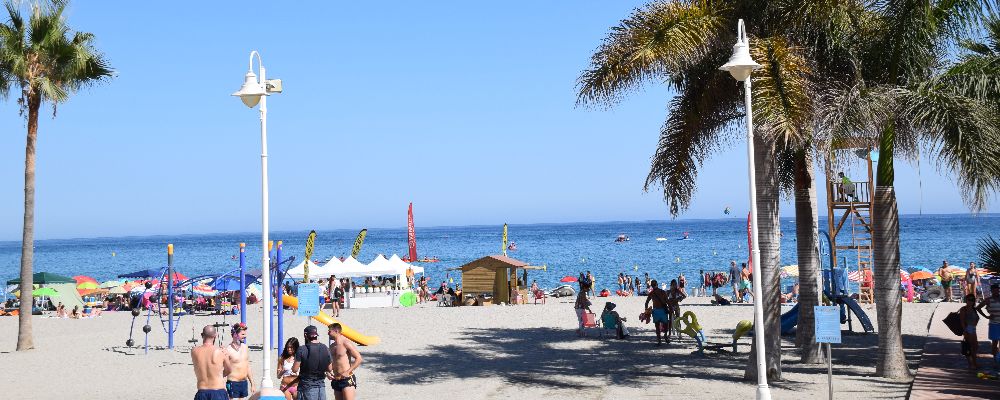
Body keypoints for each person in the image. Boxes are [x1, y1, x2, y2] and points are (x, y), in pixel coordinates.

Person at [293, 325, 332, 400]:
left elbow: (294, 369)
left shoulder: (302, 349)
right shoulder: (325, 348)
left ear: (305, 335)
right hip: (321, 386)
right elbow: (330, 368)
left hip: (306, 386)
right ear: (316, 334)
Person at [327, 323, 363, 400]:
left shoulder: (345, 343)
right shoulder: (332, 346)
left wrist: (348, 371)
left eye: (329, 331)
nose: (328, 333)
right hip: (336, 379)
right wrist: (328, 372)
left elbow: (359, 358)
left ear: (336, 331)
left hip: (347, 379)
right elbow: (331, 362)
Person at [192, 325, 228, 400]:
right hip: (218, 390)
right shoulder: (221, 352)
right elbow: (229, 369)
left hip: (202, 391)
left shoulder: (194, 351)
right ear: (216, 335)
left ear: (202, 335)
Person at [225, 323, 254, 399]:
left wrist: (252, 383)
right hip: (233, 382)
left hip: (244, 383)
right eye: (243, 334)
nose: (245, 336)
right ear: (235, 334)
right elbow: (222, 369)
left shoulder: (245, 347)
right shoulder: (228, 350)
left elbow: (247, 366)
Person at [976, 284, 1000, 364]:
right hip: (994, 324)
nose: (996, 291)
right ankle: (995, 359)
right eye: (995, 290)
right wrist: (986, 316)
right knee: (994, 342)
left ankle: (998, 358)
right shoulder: (988, 300)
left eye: (997, 289)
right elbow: (978, 308)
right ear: (992, 291)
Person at [644, 279, 671, 345]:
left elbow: (646, 302)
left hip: (656, 311)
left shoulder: (651, 293)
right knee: (665, 325)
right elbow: (667, 301)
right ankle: (665, 336)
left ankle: (659, 341)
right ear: (657, 285)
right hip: (663, 310)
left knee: (657, 327)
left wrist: (646, 310)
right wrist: (671, 309)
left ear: (651, 286)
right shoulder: (662, 292)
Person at [959, 294, 980, 370]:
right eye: (969, 299)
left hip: (973, 329)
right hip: (968, 328)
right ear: (966, 300)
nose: (970, 301)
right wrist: (965, 331)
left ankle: (974, 362)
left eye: (972, 300)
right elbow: (962, 321)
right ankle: (971, 364)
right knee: (970, 347)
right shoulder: (963, 309)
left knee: (975, 346)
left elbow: (977, 318)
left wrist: (975, 323)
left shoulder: (973, 309)